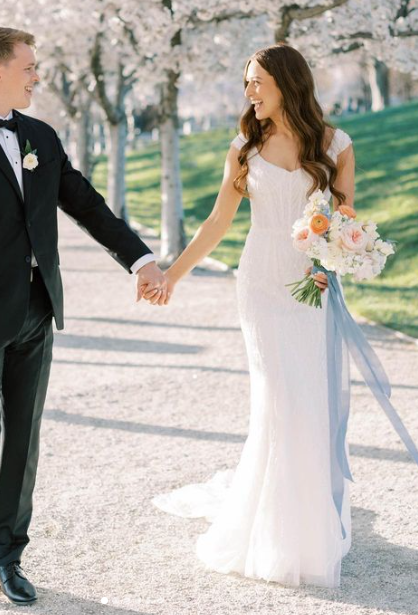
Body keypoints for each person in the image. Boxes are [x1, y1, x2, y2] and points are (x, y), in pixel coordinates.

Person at [0, 26, 167, 605]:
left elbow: (86, 205)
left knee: (23, 440)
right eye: (29, 66)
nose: (37, 76)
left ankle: (7, 553)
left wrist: (141, 261)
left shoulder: (41, 137)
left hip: (37, 306)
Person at [152, 43, 355, 588]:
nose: (249, 91)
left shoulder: (336, 145)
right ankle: (272, 528)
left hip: (310, 285)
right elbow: (219, 221)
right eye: (247, 81)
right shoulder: (245, 146)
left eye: (257, 81)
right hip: (261, 283)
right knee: (278, 397)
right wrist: (172, 274)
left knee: (307, 396)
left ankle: (307, 526)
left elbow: (344, 222)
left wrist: (335, 258)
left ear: (287, 83)